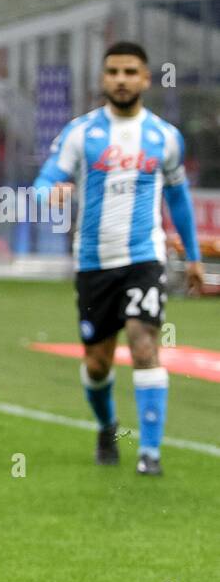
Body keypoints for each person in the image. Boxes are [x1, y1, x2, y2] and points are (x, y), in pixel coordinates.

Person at [34, 41, 203, 475]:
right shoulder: (80, 133)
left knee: (144, 343)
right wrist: (49, 193)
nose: (121, 80)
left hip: (145, 257)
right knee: (97, 363)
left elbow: (179, 198)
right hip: (93, 263)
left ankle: (150, 453)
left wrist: (195, 255)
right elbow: (45, 179)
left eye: (130, 72)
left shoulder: (165, 137)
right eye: (113, 72)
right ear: (103, 78)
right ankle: (107, 425)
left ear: (146, 78)